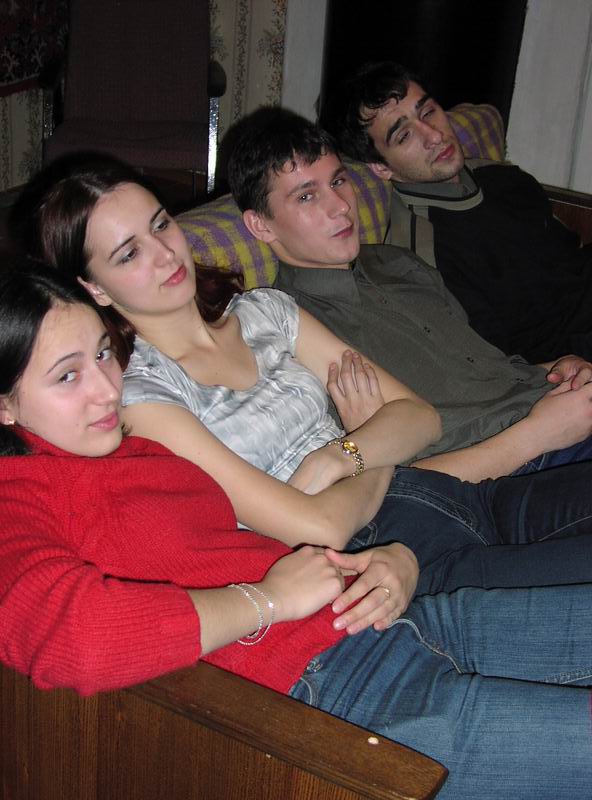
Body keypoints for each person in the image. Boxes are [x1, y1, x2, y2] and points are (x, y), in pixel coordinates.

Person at [4, 261, 592, 800]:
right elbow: (76, 639)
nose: (108, 389)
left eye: (104, 354)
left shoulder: (127, 450)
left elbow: (240, 550)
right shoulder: (19, 494)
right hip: (332, 693)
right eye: (67, 376)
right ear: (5, 405)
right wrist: (268, 599)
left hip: (381, 617)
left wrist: (384, 564)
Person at [13, 153, 592, 601]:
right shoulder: (144, 396)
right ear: (94, 288)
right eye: (128, 254)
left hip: (445, 495)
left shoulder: (264, 311)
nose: (166, 254)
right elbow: (319, 527)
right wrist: (370, 440)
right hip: (375, 563)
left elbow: (420, 418)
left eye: (161, 224)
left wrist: (339, 457)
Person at [224, 105, 592, 482]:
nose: (341, 206)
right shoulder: (296, 337)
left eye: (338, 181)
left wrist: (557, 369)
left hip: (559, 408)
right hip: (521, 467)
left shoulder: (398, 262)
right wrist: (539, 434)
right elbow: (395, 486)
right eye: (306, 197)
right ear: (261, 225)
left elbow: (486, 369)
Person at [324, 61, 592, 364]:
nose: (434, 136)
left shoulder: (501, 175)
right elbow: (496, 366)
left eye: (428, 112)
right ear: (381, 167)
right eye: (404, 136)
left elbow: (571, 255)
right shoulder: (421, 257)